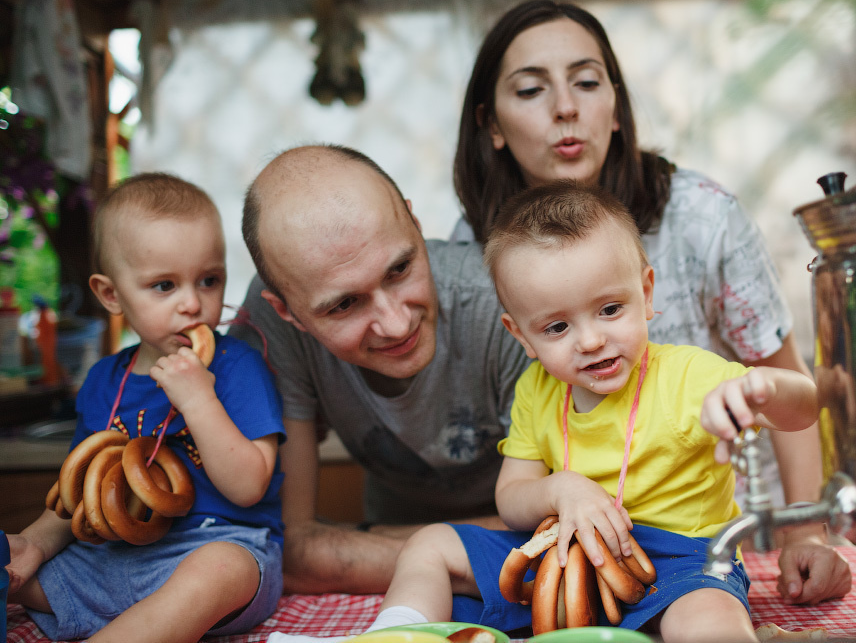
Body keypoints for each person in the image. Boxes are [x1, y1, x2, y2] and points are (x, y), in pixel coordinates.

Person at [450, 0, 851, 604]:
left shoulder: (703, 215)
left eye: (587, 82)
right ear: (493, 125)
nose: (566, 108)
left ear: (615, 108)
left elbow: (780, 379)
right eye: (531, 91)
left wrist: (804, 530)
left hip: (718, 523)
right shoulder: (470, 246)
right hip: (587, 530)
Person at [366, 184, 819, 641]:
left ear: (645, 293)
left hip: (684, 565)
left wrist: (767, 389)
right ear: (521, 335)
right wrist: (560, 490)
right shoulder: (536, 390)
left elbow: (805, 409)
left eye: (609, 309)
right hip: (566, 557)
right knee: (429, 545)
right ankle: (398, 634)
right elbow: (511, 499)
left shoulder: (690, 376)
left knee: (705, 617)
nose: (590, 340)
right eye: (557, 326)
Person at [230, 144, 532, 595]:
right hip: (413, 550)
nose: (396, 323)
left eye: (400, 269)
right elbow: (286, 547)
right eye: (344, 304)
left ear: (414, 222)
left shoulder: (505, 300)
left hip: (382, 543)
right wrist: (479, 550)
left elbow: (557, 533)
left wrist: (356, 543)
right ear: (286, 310)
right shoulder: (267, 324)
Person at [5, 174, 286, 642]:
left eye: (209, 280)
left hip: (221, 545)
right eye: (163, 286)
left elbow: (249, 487)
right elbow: (82, 492)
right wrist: (33, 543)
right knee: (20, 570)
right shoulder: (102, 381)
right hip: (120, 553)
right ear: (111, 294)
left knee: (219, 570)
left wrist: (199, 398)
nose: (192, 303)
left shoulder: (238, 366)